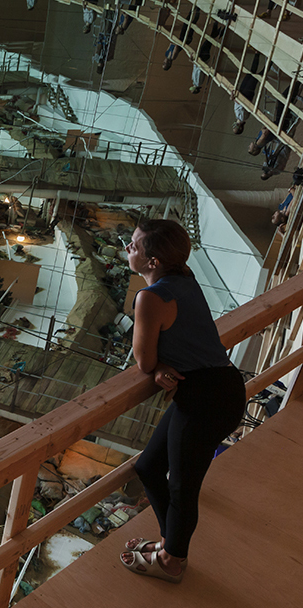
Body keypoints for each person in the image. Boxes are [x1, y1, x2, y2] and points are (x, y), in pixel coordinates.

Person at [120, 219, 245, 583]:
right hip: (216, 386)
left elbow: (142, 361)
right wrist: (162, 365)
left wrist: (156, 366)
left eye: (135, 246)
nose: (128, 249)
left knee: (182, 487)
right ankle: (168, 542)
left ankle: (172, 562)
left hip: (206, 399)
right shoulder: (183, 279)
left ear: (153, 261)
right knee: (148, 468)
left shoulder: (150, 297)